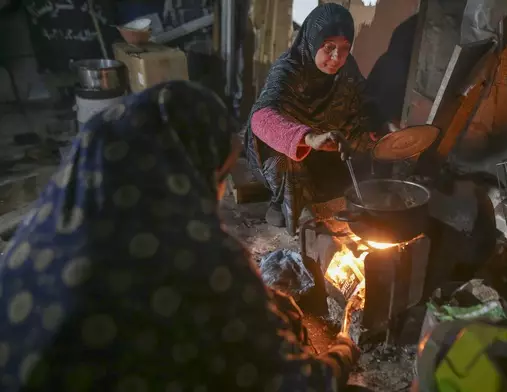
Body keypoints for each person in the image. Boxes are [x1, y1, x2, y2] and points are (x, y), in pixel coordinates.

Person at [0, 81, 358, 391]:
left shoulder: (43, 232)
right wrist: (343, 351)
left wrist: (258, 302)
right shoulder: (202, 259)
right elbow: (293, 386)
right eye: (218, 177)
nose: (217, 193)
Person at [245, 3, 395, 235]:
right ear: (313, 42)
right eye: (328, 47)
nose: (337, 57)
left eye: (345, 48)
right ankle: (281, 203)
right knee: (282, 162)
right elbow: (261, 119)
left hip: (328, 140)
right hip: (293, 145)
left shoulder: (347, 67)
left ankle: (335, 193)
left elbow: (365, 99)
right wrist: (309, 138)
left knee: (372, 140)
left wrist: (384, 125)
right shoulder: (288, 70)